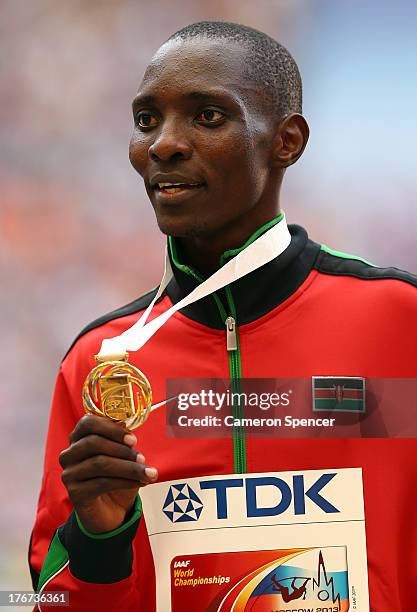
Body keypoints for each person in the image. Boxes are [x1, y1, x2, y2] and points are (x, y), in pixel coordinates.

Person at [29, 20, 417, 612]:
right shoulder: (103, 360)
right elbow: (51, 603)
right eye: (145, 120)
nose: (163, 143)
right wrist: (99, 538)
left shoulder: (398, 321)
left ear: (287, 141)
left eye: (208, 116)